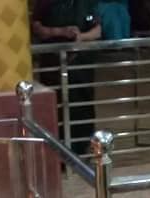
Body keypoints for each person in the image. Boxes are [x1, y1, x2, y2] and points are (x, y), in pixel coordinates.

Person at [32, 0, 102, 155]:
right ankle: (58, 151)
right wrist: (60, 32)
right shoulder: (46, 3)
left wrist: (80, 36)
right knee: (56, 105)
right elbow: (37, 28)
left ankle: (82, 150)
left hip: (81, 64)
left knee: (82, 104)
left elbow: (97, 31)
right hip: (53, 63)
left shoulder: (87, 4)